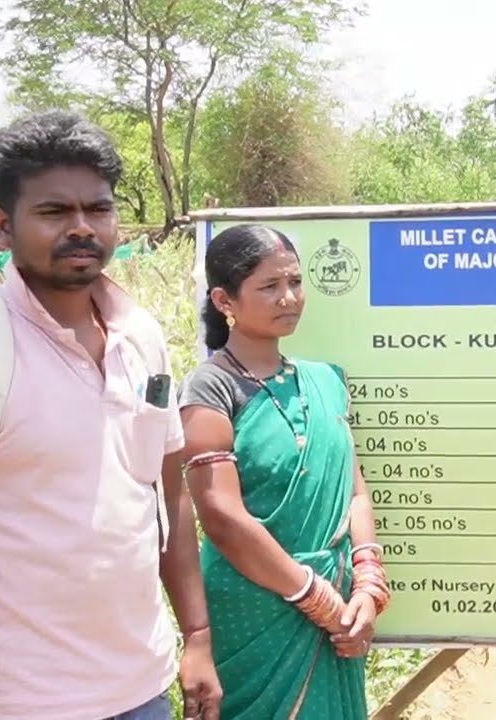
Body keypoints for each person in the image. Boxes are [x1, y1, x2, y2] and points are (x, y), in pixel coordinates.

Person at [0, 110, 222, 720]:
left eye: (98, 209)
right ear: (4, 226)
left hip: (142, 689)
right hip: (16, 703)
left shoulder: (140, 336)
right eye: (54, 212)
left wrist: (195, 637)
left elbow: (168, 497)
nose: (82, 228)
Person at [177, 223, 390, 719]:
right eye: (269, 287)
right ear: (225, 300)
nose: (289, 297)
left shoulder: (325, 381)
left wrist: (367, 582)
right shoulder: (211, 389)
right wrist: (314, 597)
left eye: (295, 282)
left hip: (338, 606)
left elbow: (354, 491)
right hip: (256, 606)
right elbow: (222, 517)